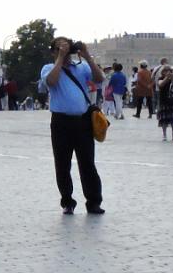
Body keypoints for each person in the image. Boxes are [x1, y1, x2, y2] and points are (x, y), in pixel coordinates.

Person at [40, 37, 105, 215]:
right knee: (62, 164)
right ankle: (67, 202)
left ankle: (94, 202)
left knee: (88, 163)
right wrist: (60, 58)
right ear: (53, 52)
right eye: (59, 48)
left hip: (83, 121)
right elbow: (51, 82)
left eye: (66, 48)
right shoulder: (48, 68)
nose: (64, 51)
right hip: (60, 122)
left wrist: (87, 57)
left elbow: (100, 79)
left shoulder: (81, 67)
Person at [156, 66, 173, 141]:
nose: (168, 72)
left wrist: (172, 79)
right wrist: (167, 78)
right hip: (164, 101)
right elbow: (160, 85)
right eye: (166, 71)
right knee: (164, 119)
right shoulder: (160, 78)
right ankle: (164, 134)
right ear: (162, 72)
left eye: (169, 71)